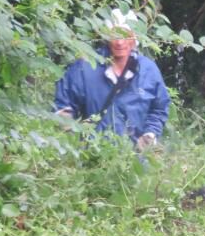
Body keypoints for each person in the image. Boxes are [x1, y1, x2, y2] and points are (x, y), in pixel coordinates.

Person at [54, 9, 170, 151]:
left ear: (134, 39)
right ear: (106, 37)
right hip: (90, 157)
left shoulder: (148, 71)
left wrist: (150, 134)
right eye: (115, 35)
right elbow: (64, 104)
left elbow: (159, 108)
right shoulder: (87, 67)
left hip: (134, 162)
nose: (119, 42)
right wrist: (69, 133)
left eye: (125, 36)